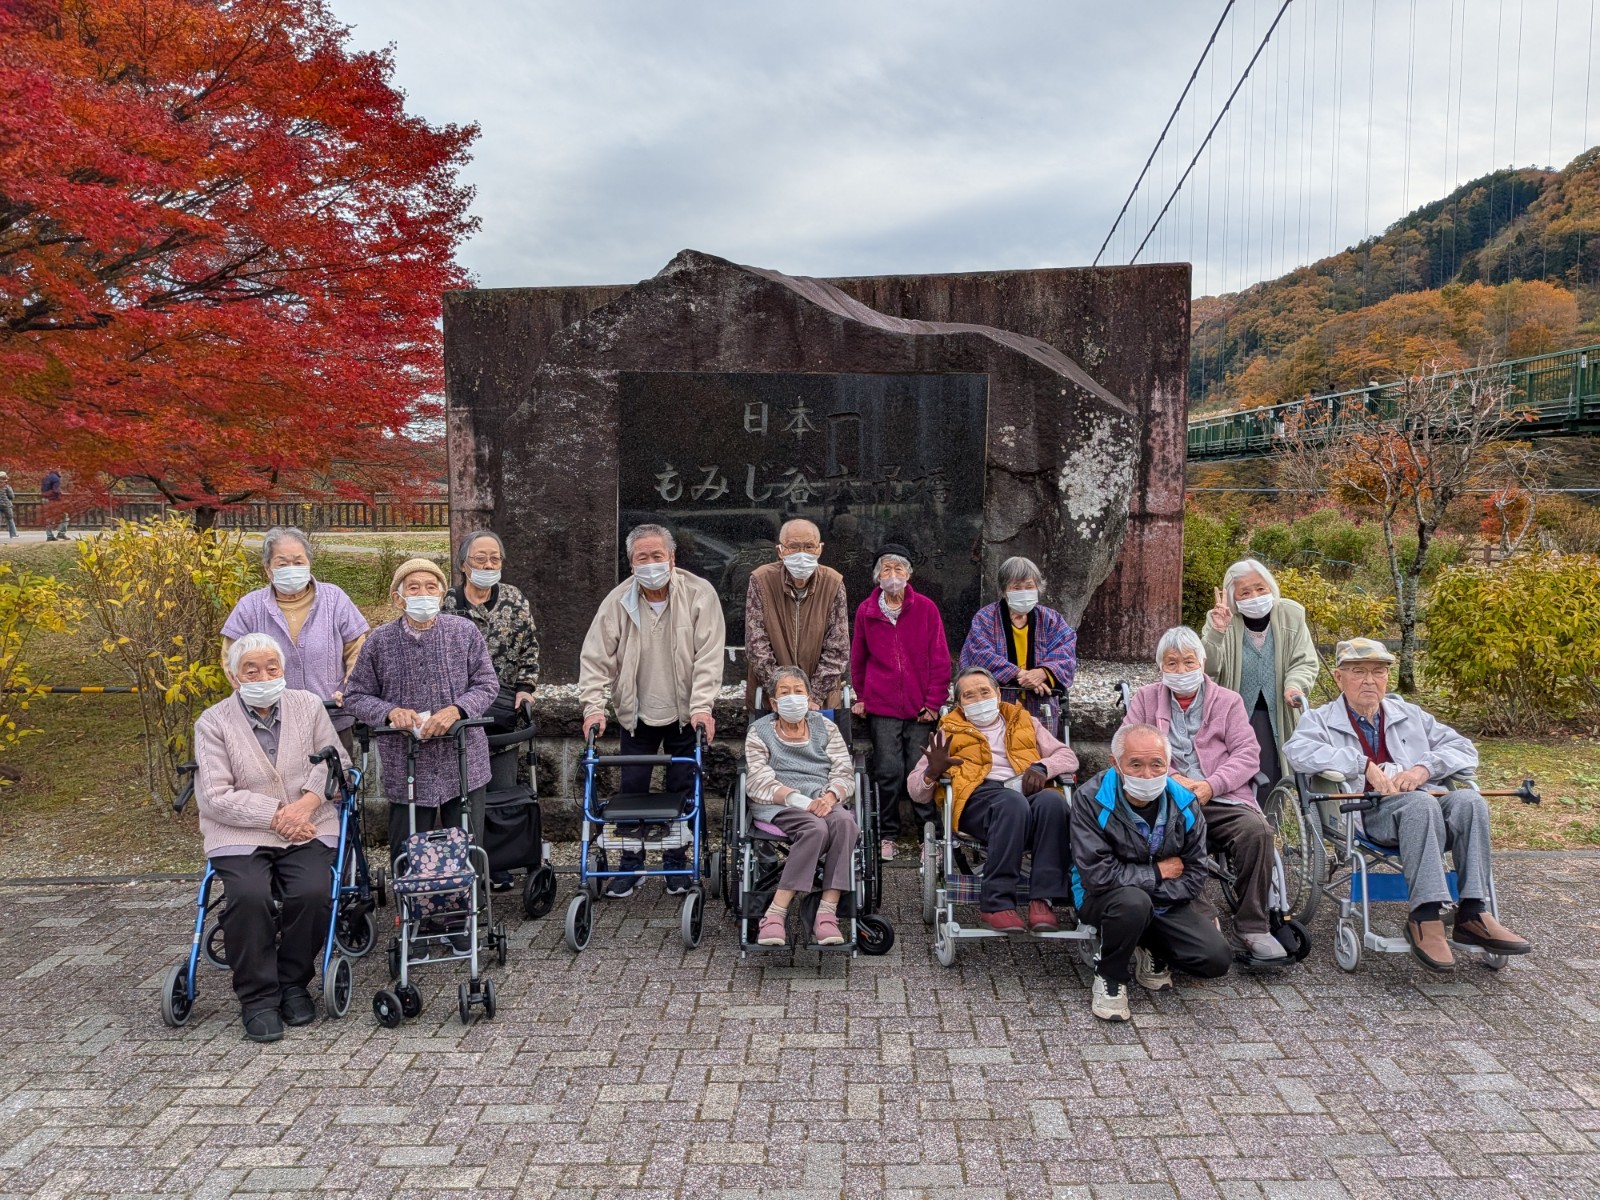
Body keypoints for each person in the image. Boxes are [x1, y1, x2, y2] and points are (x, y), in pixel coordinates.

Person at [1283, 637, 1532, 971]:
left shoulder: (1410, 714)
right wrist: (1361, 765)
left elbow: (1463, 747)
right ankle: (1424, 916)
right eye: (1358, 671)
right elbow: (1297, 752)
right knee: (1419, 805)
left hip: (1425, 808)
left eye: (1378, 671)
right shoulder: (1320, 719)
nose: (1369, 680)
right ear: (1339, 678)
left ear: (1388, 676)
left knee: (1470, 801)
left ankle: (1473, 911)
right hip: (1368, 813)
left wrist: (1423, 768)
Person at [192, 632, 346, 1042]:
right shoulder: (213, 721)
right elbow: (214, 795)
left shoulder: (308, 706)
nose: (263, 675)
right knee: (249, 896)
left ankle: (292, 982)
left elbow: (336, 763)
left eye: (271, 668)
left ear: (283, 670)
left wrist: (305, 806)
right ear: (233, 675)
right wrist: (278, 815)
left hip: (310, 824)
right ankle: (258, 998)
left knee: (313, 891)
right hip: (240, 831)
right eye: (251, 669)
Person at [578, 523, 725, 898]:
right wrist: (593, 707)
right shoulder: (617, 602)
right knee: (631, 789)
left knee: (680, 789)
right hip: (636, 711)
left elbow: (708, 659)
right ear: (631, 565)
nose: (650, 563)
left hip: (683, 713)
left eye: (657, 556)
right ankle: (630, 865)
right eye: (641, 558)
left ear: (672, 558)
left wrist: (703, 708)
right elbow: (596, 660)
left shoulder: (699, 594)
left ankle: (676, 862)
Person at [1122, 627, 1285, 962]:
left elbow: (1247, 753)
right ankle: (1201, 914)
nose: (1181, 671)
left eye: (1188, 662)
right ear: (1161, 668)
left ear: (1202, 662)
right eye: (1172, 663)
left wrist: (1212, 785)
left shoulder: (1228, 701)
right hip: (1168, 800)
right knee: (1171, 834)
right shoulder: (1145, 699)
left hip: (1222, 797)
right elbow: (1129, 748)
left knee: (1258, 832)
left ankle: (1254, 924)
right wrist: (1172, 780)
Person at [342, 557, 499, 865]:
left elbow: (487, 685)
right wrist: (389, 712)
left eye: (431, 587)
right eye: (413, 587)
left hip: (463, 758)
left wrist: (457, 710)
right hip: (407, 762)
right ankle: (412, 908)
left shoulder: (464, 632)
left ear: (442, 595)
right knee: (408, 847)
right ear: (398, 597)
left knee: (467, 847)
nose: (423, 594)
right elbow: (355, 695)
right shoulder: (380, 640)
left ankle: (468, 907)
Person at [1071, 724, 1232, 1022]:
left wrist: (1148, 887)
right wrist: (1158, 872)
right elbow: (1098, 877)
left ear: (1168, 765)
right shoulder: (1090, 798)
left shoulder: (1185, 801)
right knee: (1132, 903)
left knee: (1216, 958)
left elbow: (1195, 875)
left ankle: (1147, 944)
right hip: (1102, 900)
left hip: (1164, 901)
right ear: (1115, 764)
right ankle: (1110, 976)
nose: (1147, 774)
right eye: (1135, 764)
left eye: (1157, 764)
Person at [905, 666, 1077, 933]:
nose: (979, 700)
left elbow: (1068, 757)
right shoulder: (948, 731)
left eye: (985, 692)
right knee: (1011, 803)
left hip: (1025, 788)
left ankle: (1042, 901)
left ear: (998, 694)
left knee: (1053, 802)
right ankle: (996, 904)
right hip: (978, 800)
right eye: (970, 696)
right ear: (959, 704)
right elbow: (916, 791)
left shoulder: (1024, 720)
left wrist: (1043, 767)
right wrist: (931, 772)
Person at [221, 527, 369, 754]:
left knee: (336, 786)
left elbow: (358, 650)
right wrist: (253, 695)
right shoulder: (250, 607)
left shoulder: (334, 599)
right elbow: (231, 659)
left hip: (332, 718)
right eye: (282, 563)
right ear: (268, 569)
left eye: (298, 562)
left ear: (309, 562)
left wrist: (350, 689)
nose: (291, 568)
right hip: (270, 725)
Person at [744, 666, 860, 947]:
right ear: (773, 702)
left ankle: (827, 912)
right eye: (785, 693)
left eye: (799, 692)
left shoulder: (826, 727)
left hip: (823, 797)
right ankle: (775, 913)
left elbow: (844, 770)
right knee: (816, 829)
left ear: (809, 697)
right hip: (780, 801)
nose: (793, 698)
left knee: (845, 823)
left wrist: (831, 797)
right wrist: (801, 801)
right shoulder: (759, 732)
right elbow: (758, 780)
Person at [849, 544, 951, 861]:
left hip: (921, 707)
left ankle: (928, 835)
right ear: (877, 576)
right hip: (882, 707)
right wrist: (862, 696)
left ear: (909, 574)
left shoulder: (926, 608)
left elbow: (940, 659)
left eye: (899, 569)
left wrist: (934, 702)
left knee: (920, 770)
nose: (893, 576)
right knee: (889, 770)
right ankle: (887, 835)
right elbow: (858, 659)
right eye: (886, 570)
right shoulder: (867, 612)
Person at [1200, 558, 1318, 795]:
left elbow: (1304, 661)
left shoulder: (1291, 615)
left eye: (1260, 588)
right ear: (1233, 597)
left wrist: (1295, 685)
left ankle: (1271, 823)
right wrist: (1218, 632)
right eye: (1245, 592)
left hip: (1277, 711)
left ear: (1271, 587)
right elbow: (1208, 669)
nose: (1254, 595)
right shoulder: (1220, 619)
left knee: (1272, 769)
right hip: (1235, 712)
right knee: (1235, 768)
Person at [744, 518, 849, 712]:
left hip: (820, 702)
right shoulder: (761, 580)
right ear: (780, 551)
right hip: (772, 701)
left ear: (819, 549)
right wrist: (781, 693)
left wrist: (813, 696)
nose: (802, 554)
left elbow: (838, 647)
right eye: (793, 547)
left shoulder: (833, 583)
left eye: (809, 546)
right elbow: (756, 644)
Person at [443, 529, 540, 732]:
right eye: (480, 559)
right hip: (455, 714)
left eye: (495, 559)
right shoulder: (445, 603)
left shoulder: (514, 599)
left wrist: (525, 689)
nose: (488, 565)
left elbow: (529, 650)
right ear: (463, 564)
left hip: (503, 709)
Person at [957, 555, 1077, 715]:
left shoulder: (1051, 619)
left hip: (1041, 707)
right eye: (1016, 588)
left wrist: (1042, 673)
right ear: (1004, 590)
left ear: (1038, 588)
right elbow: (980, 654)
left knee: (1038, 740)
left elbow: (1066, 651)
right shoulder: (985, 618)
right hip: (996, 707)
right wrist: (1020, 675)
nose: (1024, 593)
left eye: (1029, 587)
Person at [40, 467, 67, 541]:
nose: (61, 472)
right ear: (57, 471)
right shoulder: (56, 479)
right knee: (65, 516)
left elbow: (43, 490)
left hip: (45, 499)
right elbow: (55, 490)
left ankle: (49, 535)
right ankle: (61, 533)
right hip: (53, 500)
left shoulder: (46, 478)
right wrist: (60, 495)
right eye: (60, 470)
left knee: (48, 518)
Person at [0, 472, 15, 539]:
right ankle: (13, 534)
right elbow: (11, 496)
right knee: (10, 519)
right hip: (6, 505)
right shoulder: (7, 487)